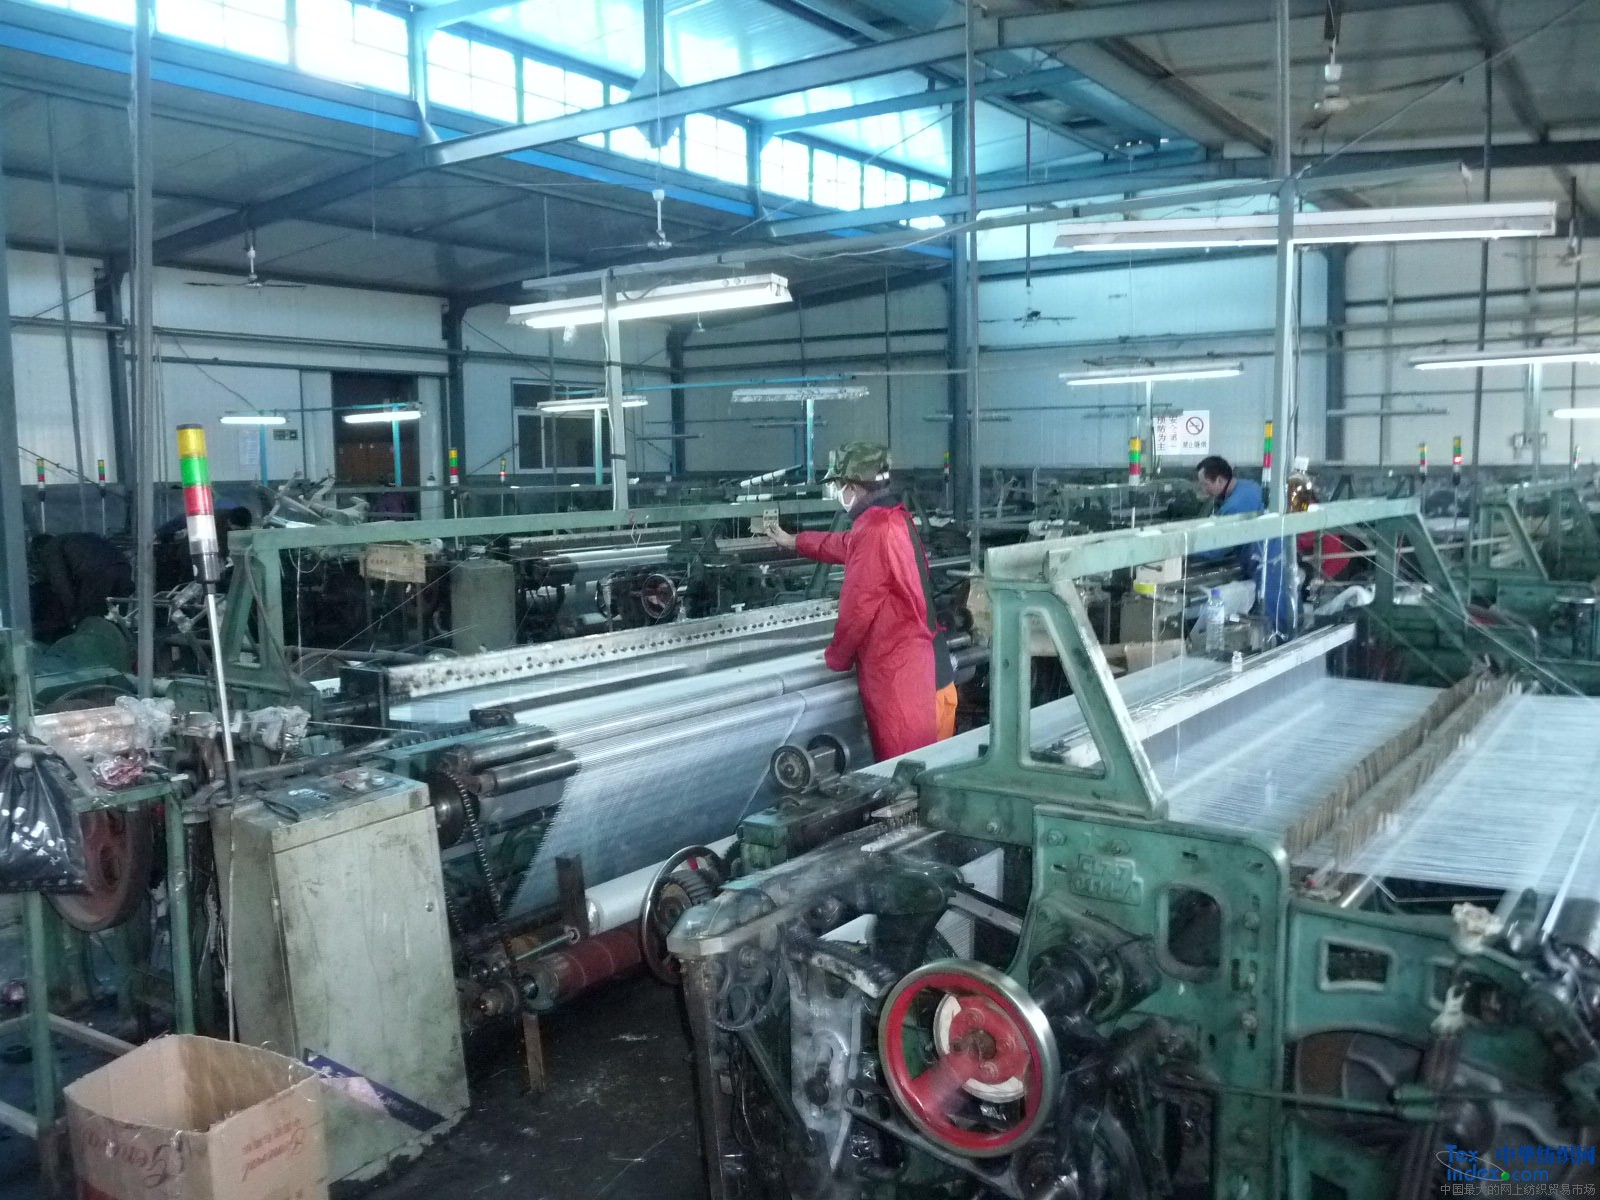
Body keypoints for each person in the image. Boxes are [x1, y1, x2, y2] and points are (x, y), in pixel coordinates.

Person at [764, 443, 951, 759]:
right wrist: (794, 540)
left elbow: (857, 608)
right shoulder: (894, 518)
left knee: (903, 774)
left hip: (902, 681)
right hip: (927, 668)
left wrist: (836, 658)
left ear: (850, 486)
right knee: (929, 769)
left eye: (839, 486)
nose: (839, 493)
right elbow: (845, 545)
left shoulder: (875, 528)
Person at [1195, 455, 1296, 642]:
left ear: (1220, 480)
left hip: (1265, 561)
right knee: (1281, 603)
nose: (1203, 489)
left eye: (1205, 484)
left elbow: (1216, 548)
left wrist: (1186, 548)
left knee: (1273, 608)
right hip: (1270, 556)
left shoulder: (1234, 506)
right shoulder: (1249, 487)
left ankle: (1280, 645)